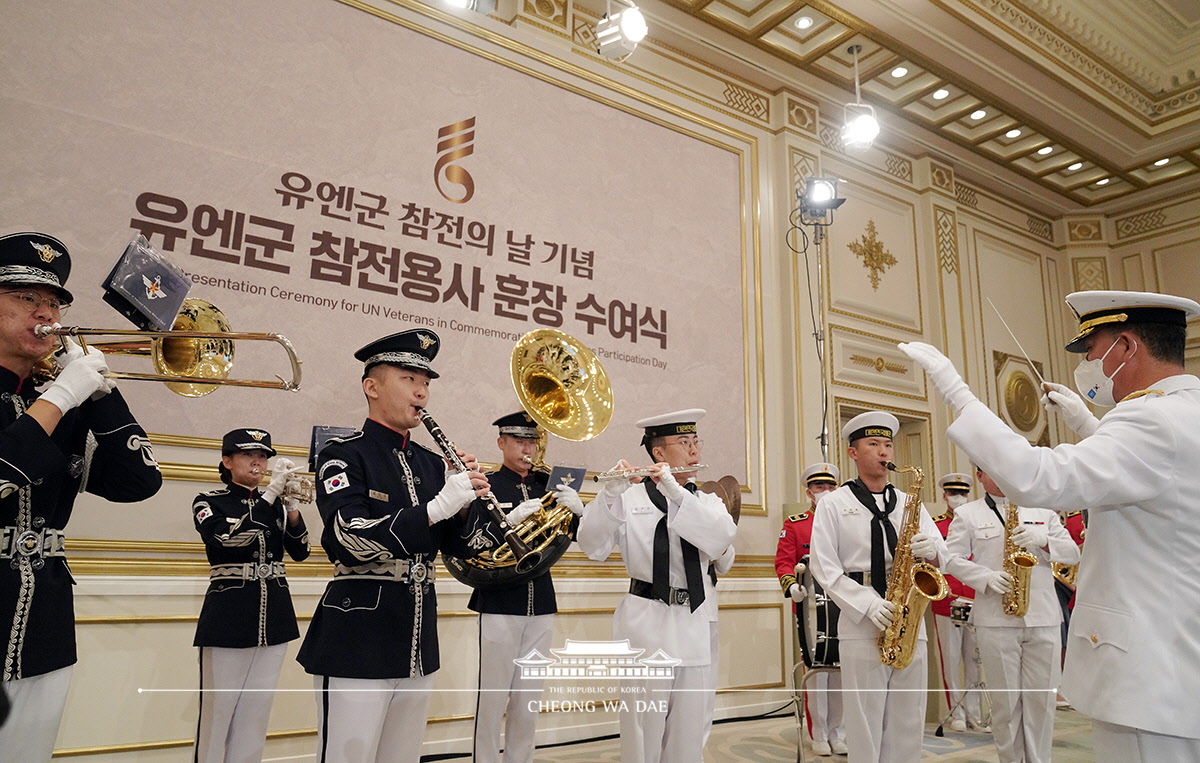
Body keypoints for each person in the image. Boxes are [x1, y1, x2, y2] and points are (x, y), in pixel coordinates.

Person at [900, 289, 1200, 762]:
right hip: (1178, 660)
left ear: (1126, 348)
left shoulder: (1150, 418)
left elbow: (1039, 477)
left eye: (1093, 351)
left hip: (1149, 675)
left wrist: (957, 392)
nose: (1091, 365)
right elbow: (1154, 476)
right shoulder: (1186, 414)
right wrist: (1088, 425)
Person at [295, 329, 503, 763]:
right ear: (372, 387)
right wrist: (435, 508)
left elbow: (464, 549)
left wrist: (467, 509)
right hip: (358, 633)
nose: (422, 391)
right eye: (409, 378)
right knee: (347, 755)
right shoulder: (344, 455)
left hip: (416, 638)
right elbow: (348, 536)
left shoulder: (430, 462)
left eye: (425, 382)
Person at [0, 232, 162, 761]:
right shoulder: (53, 403)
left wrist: (102, 394)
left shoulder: (59, 405)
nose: (45, 313)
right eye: (27, 298)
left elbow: (139, 482)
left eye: (54, 303)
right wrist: (63, 393)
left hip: (44, 619)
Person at [577, 409, 736, 763]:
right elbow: (591, 545)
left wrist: (678, 494)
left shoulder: (706, 501)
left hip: (693, 618)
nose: (694, 451)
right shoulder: (630, 499)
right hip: (645, 619)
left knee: (689, 729)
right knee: (642, 728)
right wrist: (609, 496)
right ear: (659, 454)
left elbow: (722, 539)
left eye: (696, 442)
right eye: (683, 442)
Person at [808, 411, 949, 763]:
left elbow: (941, 554)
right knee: (865, 719)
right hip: (862, 618)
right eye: (873, 444)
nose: (884, 452)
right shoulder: (834, 504)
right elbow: (823, 566)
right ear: (853, 453)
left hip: (907, 616)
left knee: (908, 716)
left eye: (888, 444)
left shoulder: (907, 502)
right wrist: (867, 604)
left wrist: (932, 550)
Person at [943, 466, 1079, 763]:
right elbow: (949, 558)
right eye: (993, 468)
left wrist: (1043, 540)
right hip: (996, 617)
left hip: (1043, 616)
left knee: (1041, 701)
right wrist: (983, 577)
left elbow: (1072, 553)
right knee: (1005, 704)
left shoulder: (1042, 509)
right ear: (980, 476)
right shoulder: (968, 514)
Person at [471, 411, 585, 763]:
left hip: (541, 604)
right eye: (520, 441)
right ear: (501, 442)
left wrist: (579, 512)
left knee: (528, 698)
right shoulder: (487, 485)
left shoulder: (546, 485)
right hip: (499, 601)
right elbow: (474, 541)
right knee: (492, 698)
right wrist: (513, 519)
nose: (527, 449)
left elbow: (573, 537)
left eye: (532, 442)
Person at [192, 428, 310, 763]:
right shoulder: (209, 501)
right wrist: (271, 495)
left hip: (274, 616)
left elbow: (300, 552)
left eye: (263, 456)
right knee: (217, 715)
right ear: (227, 461)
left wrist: (290, 508)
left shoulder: (272, 505)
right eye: (248, 455)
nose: (258, 462)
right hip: (228, 615)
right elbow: (227, 539)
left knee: (256, 713)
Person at [773, 462, 846, 756]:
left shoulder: (846, 521)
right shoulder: (796, 523)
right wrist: (792, 586)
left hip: (844, 602)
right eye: (819, 487)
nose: (826, 492)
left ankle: (839, 731)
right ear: (809, 492)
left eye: (830, 487)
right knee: (817, 670)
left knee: (841, 669)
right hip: (811, 606)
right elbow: (783, 560)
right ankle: (819, 733)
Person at [930, 472, 986, 733]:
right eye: (953, 494)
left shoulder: (977, 522)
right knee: (951, 659)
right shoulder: (935, 525)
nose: (958, 498)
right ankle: (957, 712)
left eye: (963, 493)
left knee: (975, 659)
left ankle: (975, 712)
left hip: (976, 597)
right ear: (944, 496)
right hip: (947, 600)